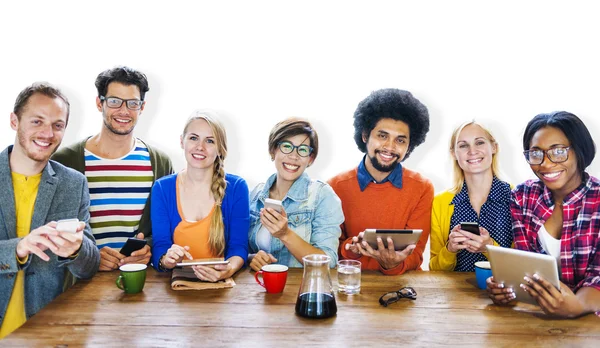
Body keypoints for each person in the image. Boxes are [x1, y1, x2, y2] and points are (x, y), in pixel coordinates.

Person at [0, 83, 100, 338]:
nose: (48, 133)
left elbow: (89, 266)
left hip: (48, 335)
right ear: (14, 120)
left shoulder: (74, 183)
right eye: (37, 121)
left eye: (58, 125)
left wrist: (77, 250)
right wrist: (19, 248)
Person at [52, 66, 173, 272]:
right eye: (115, 101)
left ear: (142, 107)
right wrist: (89, 257)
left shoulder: (159, 162)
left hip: (141, 282)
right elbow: (51, 229)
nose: (124, 111)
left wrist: (149, 248)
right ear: (100, 103)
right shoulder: (64, 161)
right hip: (80, 287)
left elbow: (166, 227)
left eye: (133, 103)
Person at [487, 111, 600, 318]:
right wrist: (506, 287)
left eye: (558, 152)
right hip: (538, 316)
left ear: (579, 150)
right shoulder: (523, 197)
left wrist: (576, 306)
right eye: (536, 153)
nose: (546, 164)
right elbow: (525, 263)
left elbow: (598, 276)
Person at [328, 88, 434, 275]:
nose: (390, 147)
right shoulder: (335, 186)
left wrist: (391, 264)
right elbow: (329, 248)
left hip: (402, 287)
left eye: (400, 140)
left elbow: (416, 253)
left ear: (409, 146)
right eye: (382, 136)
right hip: (352, 283)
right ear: (365, 136)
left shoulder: (422, 188)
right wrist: (349, 249)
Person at [151, 110, 249, 282]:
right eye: (193, 138)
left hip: (221, 287)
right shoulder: (162, 188)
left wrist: (228, 270)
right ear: (182, 141)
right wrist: (167, 259)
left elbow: (238, 247)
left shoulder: (237, 188)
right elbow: (160, 246)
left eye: (210, 141)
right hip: (176, 289)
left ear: (220, 149)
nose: (200, 147)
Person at [248, 118, 344, 271]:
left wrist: (286, 234)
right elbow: (241, 251)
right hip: (260, 289)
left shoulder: (322, 196)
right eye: (287, 146)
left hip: (301, 290)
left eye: (303, 150)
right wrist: (252, 258)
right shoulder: (254, 195)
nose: (294, 156)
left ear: (310, 159)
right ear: (273, 150)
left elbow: (328, 262)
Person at [429, 121, 512, 271]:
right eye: (463, 145)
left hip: (503, 292)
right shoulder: (441, 202)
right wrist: (450, 249)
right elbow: (435, 270)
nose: (472, 151)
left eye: (479, 142)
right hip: (457, 293)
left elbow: (523, 266)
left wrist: (489, 248)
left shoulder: (516, 198)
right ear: (454, 154)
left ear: (494, 147)